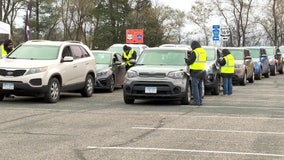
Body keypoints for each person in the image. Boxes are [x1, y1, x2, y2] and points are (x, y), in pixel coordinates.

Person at [185, 41, 207, 106]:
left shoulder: (195, 52)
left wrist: (186, 60)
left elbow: (190, 61)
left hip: (195, 72)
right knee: (200, 86)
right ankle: (200, 101)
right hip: (202, 71)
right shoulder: (203, 51)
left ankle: (196, 101)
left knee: (195, 87)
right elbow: (205, 59)